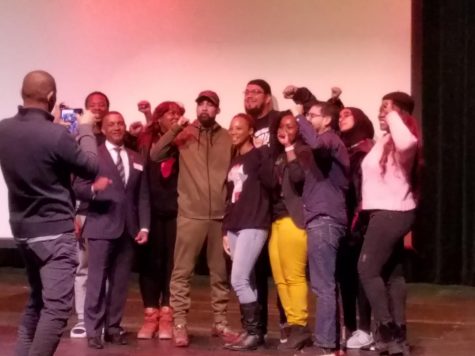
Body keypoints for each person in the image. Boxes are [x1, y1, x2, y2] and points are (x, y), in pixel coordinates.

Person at [0, 70, 99, 356]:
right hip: (54, 233)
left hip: (23, 231)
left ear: (22, 93)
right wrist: (86, 129)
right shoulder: (56, 135)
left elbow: (37, 159)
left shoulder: (4, 129)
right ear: (52, 97)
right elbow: (90, 167)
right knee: (56, 309)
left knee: (38, 301)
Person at [150, 90, 238, 347]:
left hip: (220, 217)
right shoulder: (184, 133)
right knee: (182, 273)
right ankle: (179, 324)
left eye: (210, 105)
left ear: (217, 111)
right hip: (190, 214)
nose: (204, 109)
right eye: (201, 104)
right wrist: (175, 129)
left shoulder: (226, 137)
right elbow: (156, 154)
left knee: (220, 274)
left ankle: (220, 322)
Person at [73, 111, 150, 349]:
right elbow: (78, 187)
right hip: (100, 226)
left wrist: (144, 226)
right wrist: (94, 189)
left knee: (120, 283)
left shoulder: (136, 157)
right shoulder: (93, 155)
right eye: (111, 124)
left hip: (128, 229)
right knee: (96, 281)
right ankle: (93, 330)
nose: (117, 127)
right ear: (103, 130)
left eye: (120, 123)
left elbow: (143, 196)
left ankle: (114, 327)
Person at [358, 92, 422, 356]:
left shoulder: (402, 142)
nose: (381, 114)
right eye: (381, 109)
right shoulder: (383, 141)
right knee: (392, 274)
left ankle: (386, 332)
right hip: (386, 213)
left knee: (366, 270)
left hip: (390, 214)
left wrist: (394, 113)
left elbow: (407, 142)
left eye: (386, 109)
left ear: (400, 115)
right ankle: (398, 336)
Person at [295, 102, 349, 356]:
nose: (307, 119)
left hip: (324, 220)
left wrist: (298, 117)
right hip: (325, 219)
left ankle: (326, 345)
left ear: (326, 120)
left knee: (323, 285)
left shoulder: (328, 138)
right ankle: (333, 345)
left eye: (312, 116)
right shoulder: (328, 142)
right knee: (327, 284)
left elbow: (316, 144)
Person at [221, 113, 272, 351]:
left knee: (238, 279)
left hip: (254, 223)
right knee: (247, 280)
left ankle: (254, 331)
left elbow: (272, 182)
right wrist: (224, 230)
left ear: (250, 131)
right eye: (231, 128)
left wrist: (263, 151)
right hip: (235, 225)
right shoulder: (235, 161)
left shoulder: (258, 156)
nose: (233, 132)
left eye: (239, 128)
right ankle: (252, 332)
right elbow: (230, 199)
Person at [135, 101, 183, 340]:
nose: (174, 117)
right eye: (169, 113)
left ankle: (167, 316)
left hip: (176, 211)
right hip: (151, 211)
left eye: (177, 113)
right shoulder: (146, 141)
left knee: (172, 265)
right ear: (159, 118)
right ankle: (150, 315)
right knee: (150, 264)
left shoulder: (184, 141)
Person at [268, 111, 312, 351]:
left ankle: (300, 324)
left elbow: (298, 178)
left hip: (293, 220)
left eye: (291, 126)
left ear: (298, 131)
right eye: (281, 126)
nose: (285, 130)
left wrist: (288, 148)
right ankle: (292, 322)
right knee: (280, 278)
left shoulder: (303, 152)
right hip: (275, 220)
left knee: (294, 275)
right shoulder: (276, 156)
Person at [337, 107, 375, 349]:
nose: (341, 118)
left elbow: (364, 192)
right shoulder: (342, 151)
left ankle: (366, 329)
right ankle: (350, 327)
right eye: (339, 116)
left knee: (363, 277)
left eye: (346, 115)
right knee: (344, 277)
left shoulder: (366, 151)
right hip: (342, 223)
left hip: (361, 224)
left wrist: (357, 223)